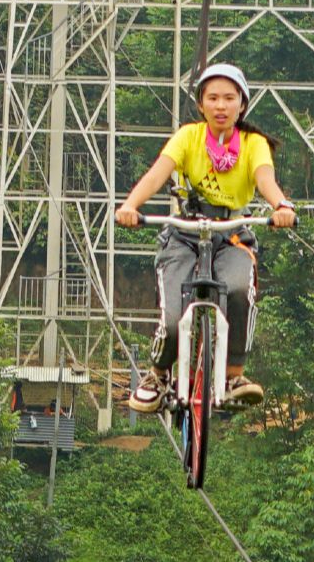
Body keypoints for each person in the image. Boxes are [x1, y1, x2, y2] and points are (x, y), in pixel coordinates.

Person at [113, 63, 297, 412]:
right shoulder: (189, 137)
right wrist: (130, 206)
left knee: (239, 290)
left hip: (232, 235)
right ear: (201, 104)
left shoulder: (253, 144)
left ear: (242, 104)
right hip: (184, 233)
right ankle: (157, 375)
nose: (220, 106)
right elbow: (157, 175)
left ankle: (233, 376)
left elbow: (265, 179)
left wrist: (282, 206)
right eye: (212, 98)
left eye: (229, 98)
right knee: (172, 316)